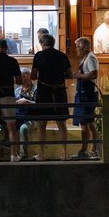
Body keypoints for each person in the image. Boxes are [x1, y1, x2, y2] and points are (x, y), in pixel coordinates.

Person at [31, 32, 74, 161]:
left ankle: (41, 154)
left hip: (44, 90)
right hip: (59, 91)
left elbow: (33, 76)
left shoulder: (39, 55)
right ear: (53, 43)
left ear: (42, 44)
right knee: (61, 123)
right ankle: (64, 153)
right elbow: (70, 74)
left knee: (41, 124)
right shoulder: (62, 56)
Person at [72, 34, 99, 158]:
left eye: (78, 47)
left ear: (85, 47)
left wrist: (79, 76)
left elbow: (94, 74)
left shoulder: (91, 58)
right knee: (87, 122)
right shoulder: (85, 58)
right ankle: (89, 148)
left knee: (87, 122)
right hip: (82, 94)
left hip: (87, 95)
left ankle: (89, 149)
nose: (76, 49)